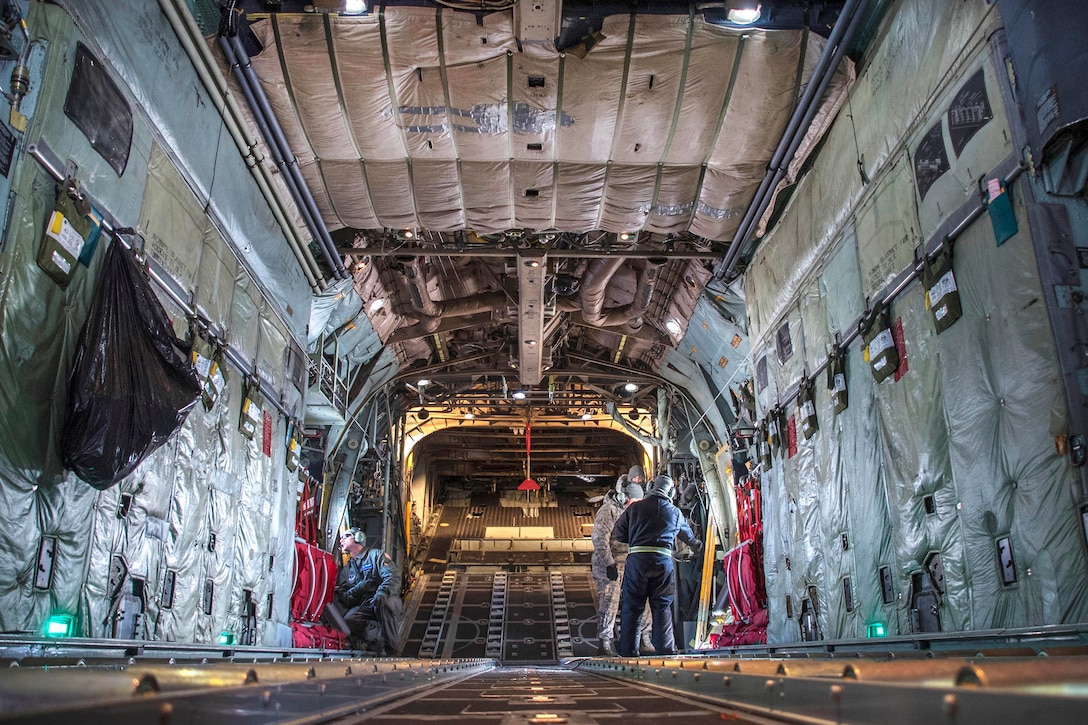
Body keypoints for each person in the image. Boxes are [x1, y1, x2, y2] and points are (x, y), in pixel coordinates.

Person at [612, 474, 703, 657]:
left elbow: (619, 533)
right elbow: (689, 538)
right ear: (670, 491)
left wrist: (637, 538)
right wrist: (699, 546)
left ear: (652, 487)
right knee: (662, 607)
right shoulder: (674, 512)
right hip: (662, 563)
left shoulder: (635, 508)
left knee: (633, 606)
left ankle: (628, 651)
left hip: (637, 561)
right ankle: (665, 651)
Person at [591, 466, 650, 655]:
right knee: (610, 600)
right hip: (611, 562)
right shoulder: (608, 510)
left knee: (642, 599)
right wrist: (609, 563)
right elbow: (599, 538)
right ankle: (605, 641)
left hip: (633, 560)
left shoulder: (639, 509)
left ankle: (644, 637)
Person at [333, 527, 404, 656]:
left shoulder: (376, 556)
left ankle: (392, 651)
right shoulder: (347, 570)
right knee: (348, 621)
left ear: (358, 537)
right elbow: (345, 597)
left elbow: (392, 577)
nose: (341, 540)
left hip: (387, 598)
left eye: (345, 536)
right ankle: (378, 640)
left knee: (384, 605)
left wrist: (382, 593)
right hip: (366, 605)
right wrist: (360, 587)